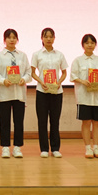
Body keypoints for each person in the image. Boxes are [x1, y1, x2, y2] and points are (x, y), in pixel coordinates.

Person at [0, 29, 31, 158]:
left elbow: (28, 72)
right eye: (9, 37)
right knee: (4, 122)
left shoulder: (22, 55)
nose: (12, 40)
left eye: (14, 37)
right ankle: (5, 147)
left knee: (18, 122)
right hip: (4, 93)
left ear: (17, 40)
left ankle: (17, 147)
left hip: (19, 93)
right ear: (4, 40)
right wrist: (3, 81)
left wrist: (24, 79)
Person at [30, 28, 68, 158]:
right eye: (46, 36)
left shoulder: (59, 55)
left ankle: (55, 148)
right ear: (42, 38)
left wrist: (59, 82)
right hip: (42, 91)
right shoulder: (37, 54)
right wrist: (41, 82)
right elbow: (32, 73)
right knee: (42, 121)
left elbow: (64, 73)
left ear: (54, 38)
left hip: (57, 91)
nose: (48, 39)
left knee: (55, 121)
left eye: (51, 36)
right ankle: (44, 149)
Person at [70, 34, 98, 159]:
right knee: (86, 122)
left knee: (97, 123)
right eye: (87, 43)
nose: (90, 45)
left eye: (92, 43)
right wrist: (82, 81)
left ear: (95, 45)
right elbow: (73, 76)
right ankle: (88, 147)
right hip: (84, 97)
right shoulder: (78, 60)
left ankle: (96, 147)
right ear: (83, 45)